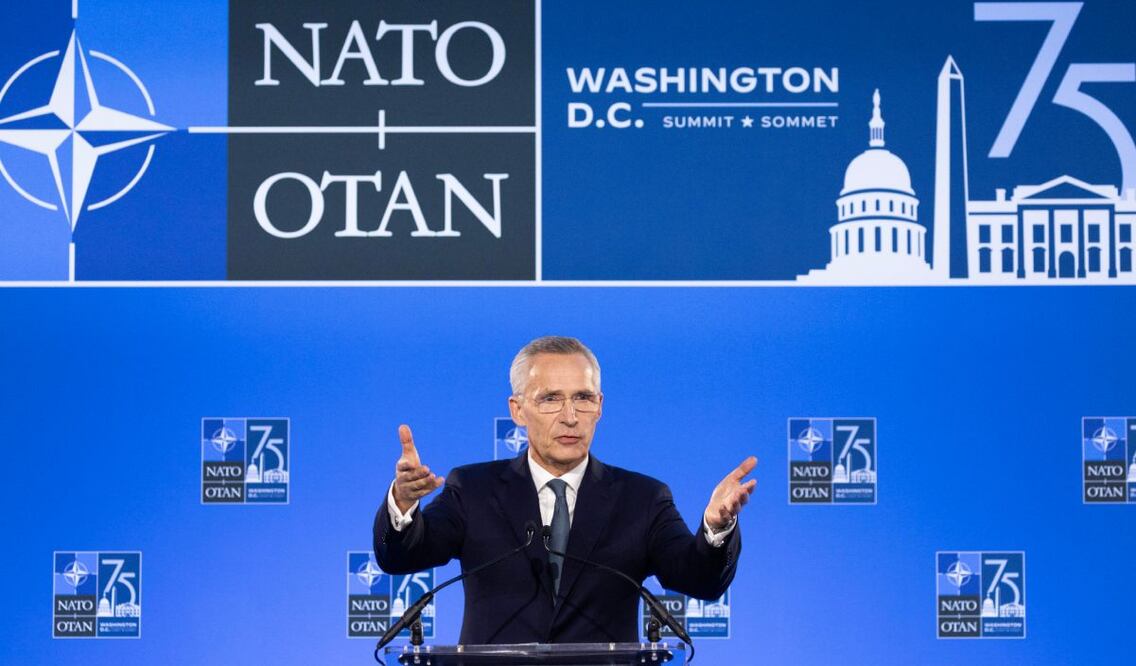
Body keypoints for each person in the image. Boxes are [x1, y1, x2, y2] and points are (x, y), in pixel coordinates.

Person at [374, 336, 757, 644]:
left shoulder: (642, 499)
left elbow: (699, 580)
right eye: (551, 399)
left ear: (600, 406)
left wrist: (715, 528)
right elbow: (402, 557)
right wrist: (404, 502)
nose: (570, 417)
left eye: (583, 398)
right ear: (517, 410)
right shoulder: (473, 489)